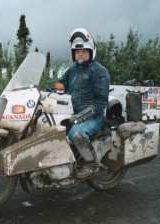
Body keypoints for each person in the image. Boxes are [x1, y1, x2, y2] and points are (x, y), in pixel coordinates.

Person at [55, 28, 110, 178]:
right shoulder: (72, 70)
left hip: (94, 116)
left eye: (84, 51)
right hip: (73, 113)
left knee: (76, 133)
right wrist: (47, 91)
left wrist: (79, 117)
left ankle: (91, 163)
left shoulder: (99, 71)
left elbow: (100, 103)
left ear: (91, 51)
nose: (80, 54)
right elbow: (60, 85)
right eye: (77, 52)